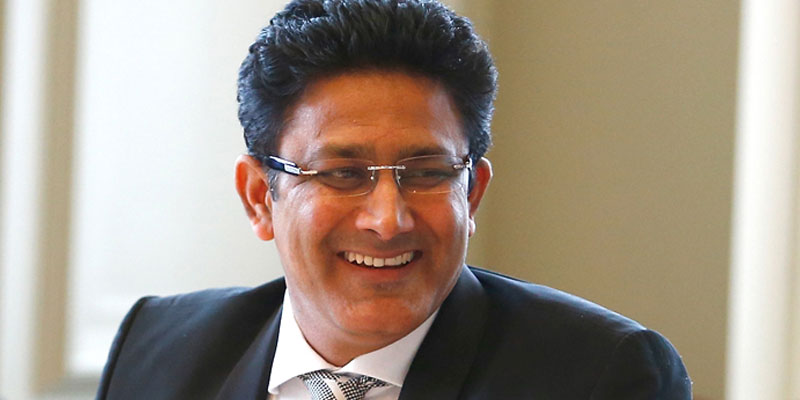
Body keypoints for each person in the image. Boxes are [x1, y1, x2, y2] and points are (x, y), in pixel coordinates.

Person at [96, 0, 692, 399]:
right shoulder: (156, 349)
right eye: (342, 173)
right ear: (259, 198)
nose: (388, 219)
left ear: (472, 193)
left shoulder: (601, 375)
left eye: (427, 172)